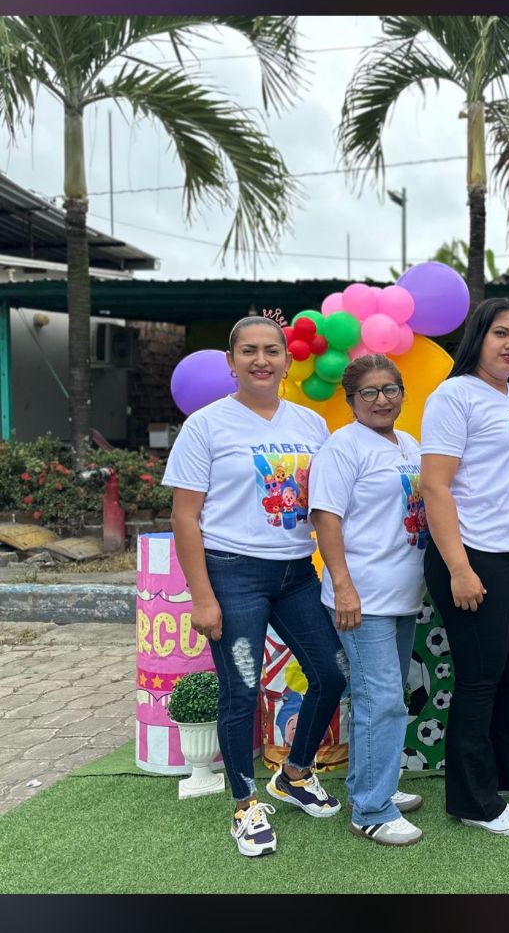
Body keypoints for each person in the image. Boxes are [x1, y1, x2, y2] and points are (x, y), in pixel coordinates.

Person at [164, 316, 347, 858]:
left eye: (271, 350)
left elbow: (328, 502)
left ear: (288, 361)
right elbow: (184, 517)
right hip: (233, 573)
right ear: (231, 361)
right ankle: (245, 804)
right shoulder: (205, 426)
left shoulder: (312, 424)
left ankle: (294, 773)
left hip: (296, 574)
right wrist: (202, 597)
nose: (261, 360)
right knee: (241, 690)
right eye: (248, 351)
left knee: (332, 674)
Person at [419, 297, 509, 837]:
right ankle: (473, 800)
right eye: (501, 333)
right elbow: (434, 485)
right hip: (472, 554)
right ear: (478, 336)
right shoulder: (454, 396)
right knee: (480, 679)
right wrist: (459, 567)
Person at [309, 354, 426, 848]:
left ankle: (371, 784)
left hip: (403, 594)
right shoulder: (343, 447)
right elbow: (326, 518)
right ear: (351, 400)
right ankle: (372, 810)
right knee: (381, 700)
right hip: (363, 597)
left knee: (381, 697)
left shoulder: (410, 444)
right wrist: (342, 585)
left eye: (390, 389)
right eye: (370, 392)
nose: (382, 400)